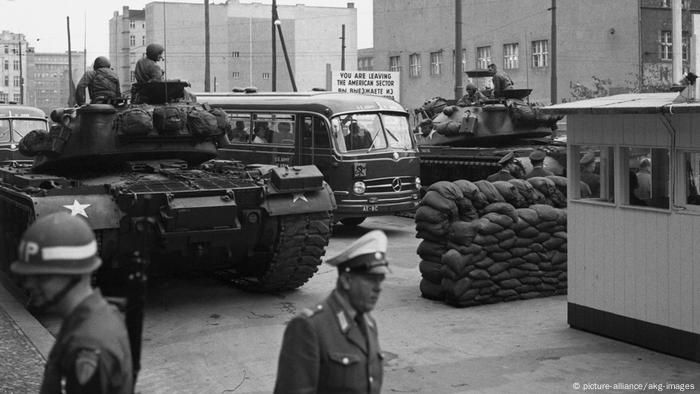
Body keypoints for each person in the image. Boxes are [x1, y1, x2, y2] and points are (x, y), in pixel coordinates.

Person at [10, 212, 133, 394]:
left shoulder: (87, 346)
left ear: (74, 274)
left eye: (42, 276)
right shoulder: (96, 316)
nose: (29, 284)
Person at [274, 230, 388, 394]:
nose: (378, 288)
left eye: (380, 280)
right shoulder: (309, 328)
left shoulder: (369, 324)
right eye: (371, 280)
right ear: (346, 281)